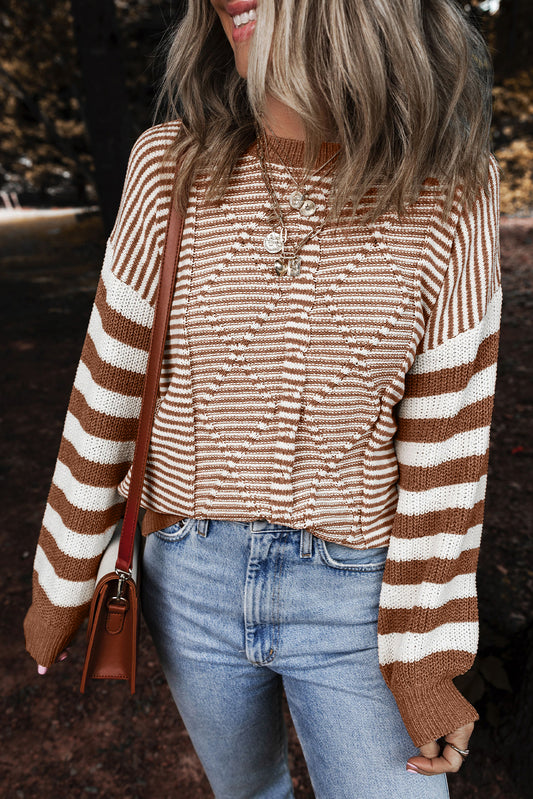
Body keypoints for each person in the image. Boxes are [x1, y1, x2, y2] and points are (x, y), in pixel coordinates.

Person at [24, 1, 502, 796]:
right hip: (188, 576)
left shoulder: (451, 189)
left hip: (358, 600)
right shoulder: (167, 166)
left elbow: (449, 446)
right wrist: (62, 585)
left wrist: (429, 658)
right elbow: (105, 386)